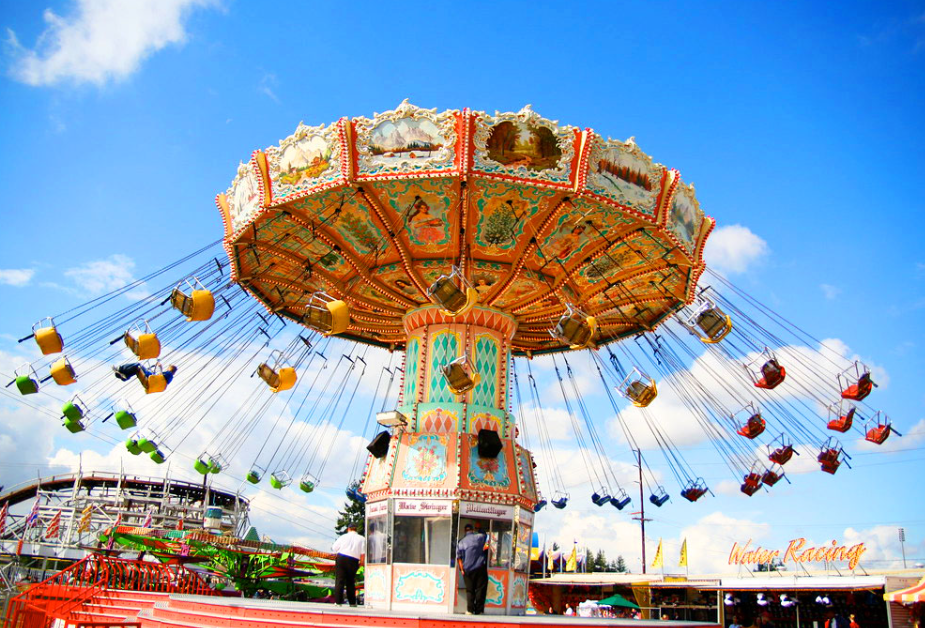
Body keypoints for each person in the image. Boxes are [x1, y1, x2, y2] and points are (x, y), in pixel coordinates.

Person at [456, 524, 489, 615]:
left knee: (470, 590)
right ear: (472, 530)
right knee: (480, 589)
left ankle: (470, 610)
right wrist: (479, 527)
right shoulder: (479, 537)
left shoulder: (461, 542)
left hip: (467, 569)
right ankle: (479, 610)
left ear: (464, 531)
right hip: (480, 568)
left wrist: (462, 570)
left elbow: (459, 558)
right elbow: (485, 534)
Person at [331, 524, 365, 606]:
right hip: (353, 560)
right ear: (356, 529)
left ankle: (338, 602)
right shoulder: (362, 539)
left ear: (348, 529)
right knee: (350, 581)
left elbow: (334, 548)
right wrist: (361, 563)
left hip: (341, 558)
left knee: (340, 580)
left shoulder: (343, 537)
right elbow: (363, 553)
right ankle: (352, 602)